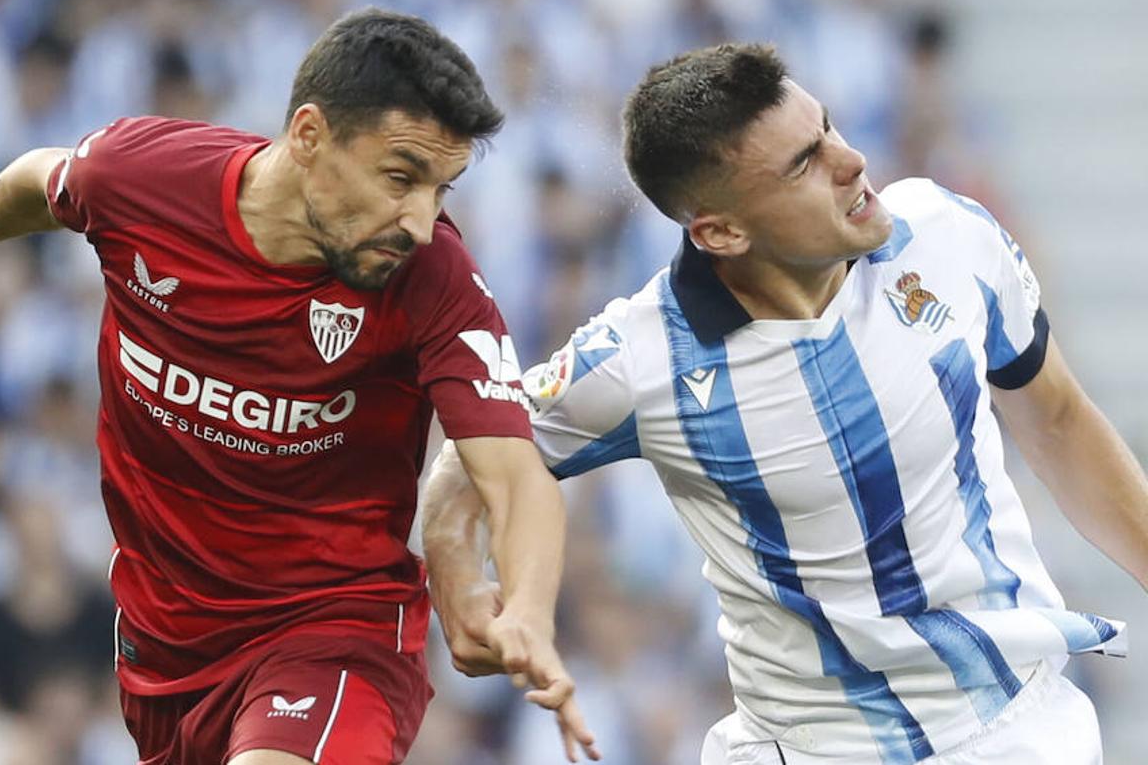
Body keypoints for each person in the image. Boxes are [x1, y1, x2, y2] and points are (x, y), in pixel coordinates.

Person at [422, 42, 1148, 764]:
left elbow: (1057, 420)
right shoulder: (642, 360)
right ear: (722, 231)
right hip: (807, 749)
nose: (851, 161)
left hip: (1012, 726)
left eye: (827, 127)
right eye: (804, 164)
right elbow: (472, 457)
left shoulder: (945, 236)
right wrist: (460, 586)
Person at [0, 8, 599, 765]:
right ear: (310, 135)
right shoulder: (140, 180)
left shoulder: (433, 279)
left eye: (441, 190)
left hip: (334, 636)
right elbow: (46, 181)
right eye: (401, 178)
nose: (421, 221)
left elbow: (513, 475)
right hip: (166, 650)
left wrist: (528, 609)